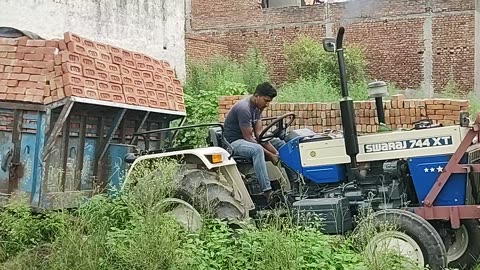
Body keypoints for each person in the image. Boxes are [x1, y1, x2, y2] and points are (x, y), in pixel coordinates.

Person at [223, 82, 296, 200]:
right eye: (266, 100)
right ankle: (267, 191)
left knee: (281, 144)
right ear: (257, 96)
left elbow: (259, 135)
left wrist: (276, 152)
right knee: (257, 150)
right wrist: (271, 155)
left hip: (247, 140)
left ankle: (295, 181)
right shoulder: (244, 109)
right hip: (234, 143)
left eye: (269, 101)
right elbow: (248, 138)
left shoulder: (257, 108)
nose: (267, 104)